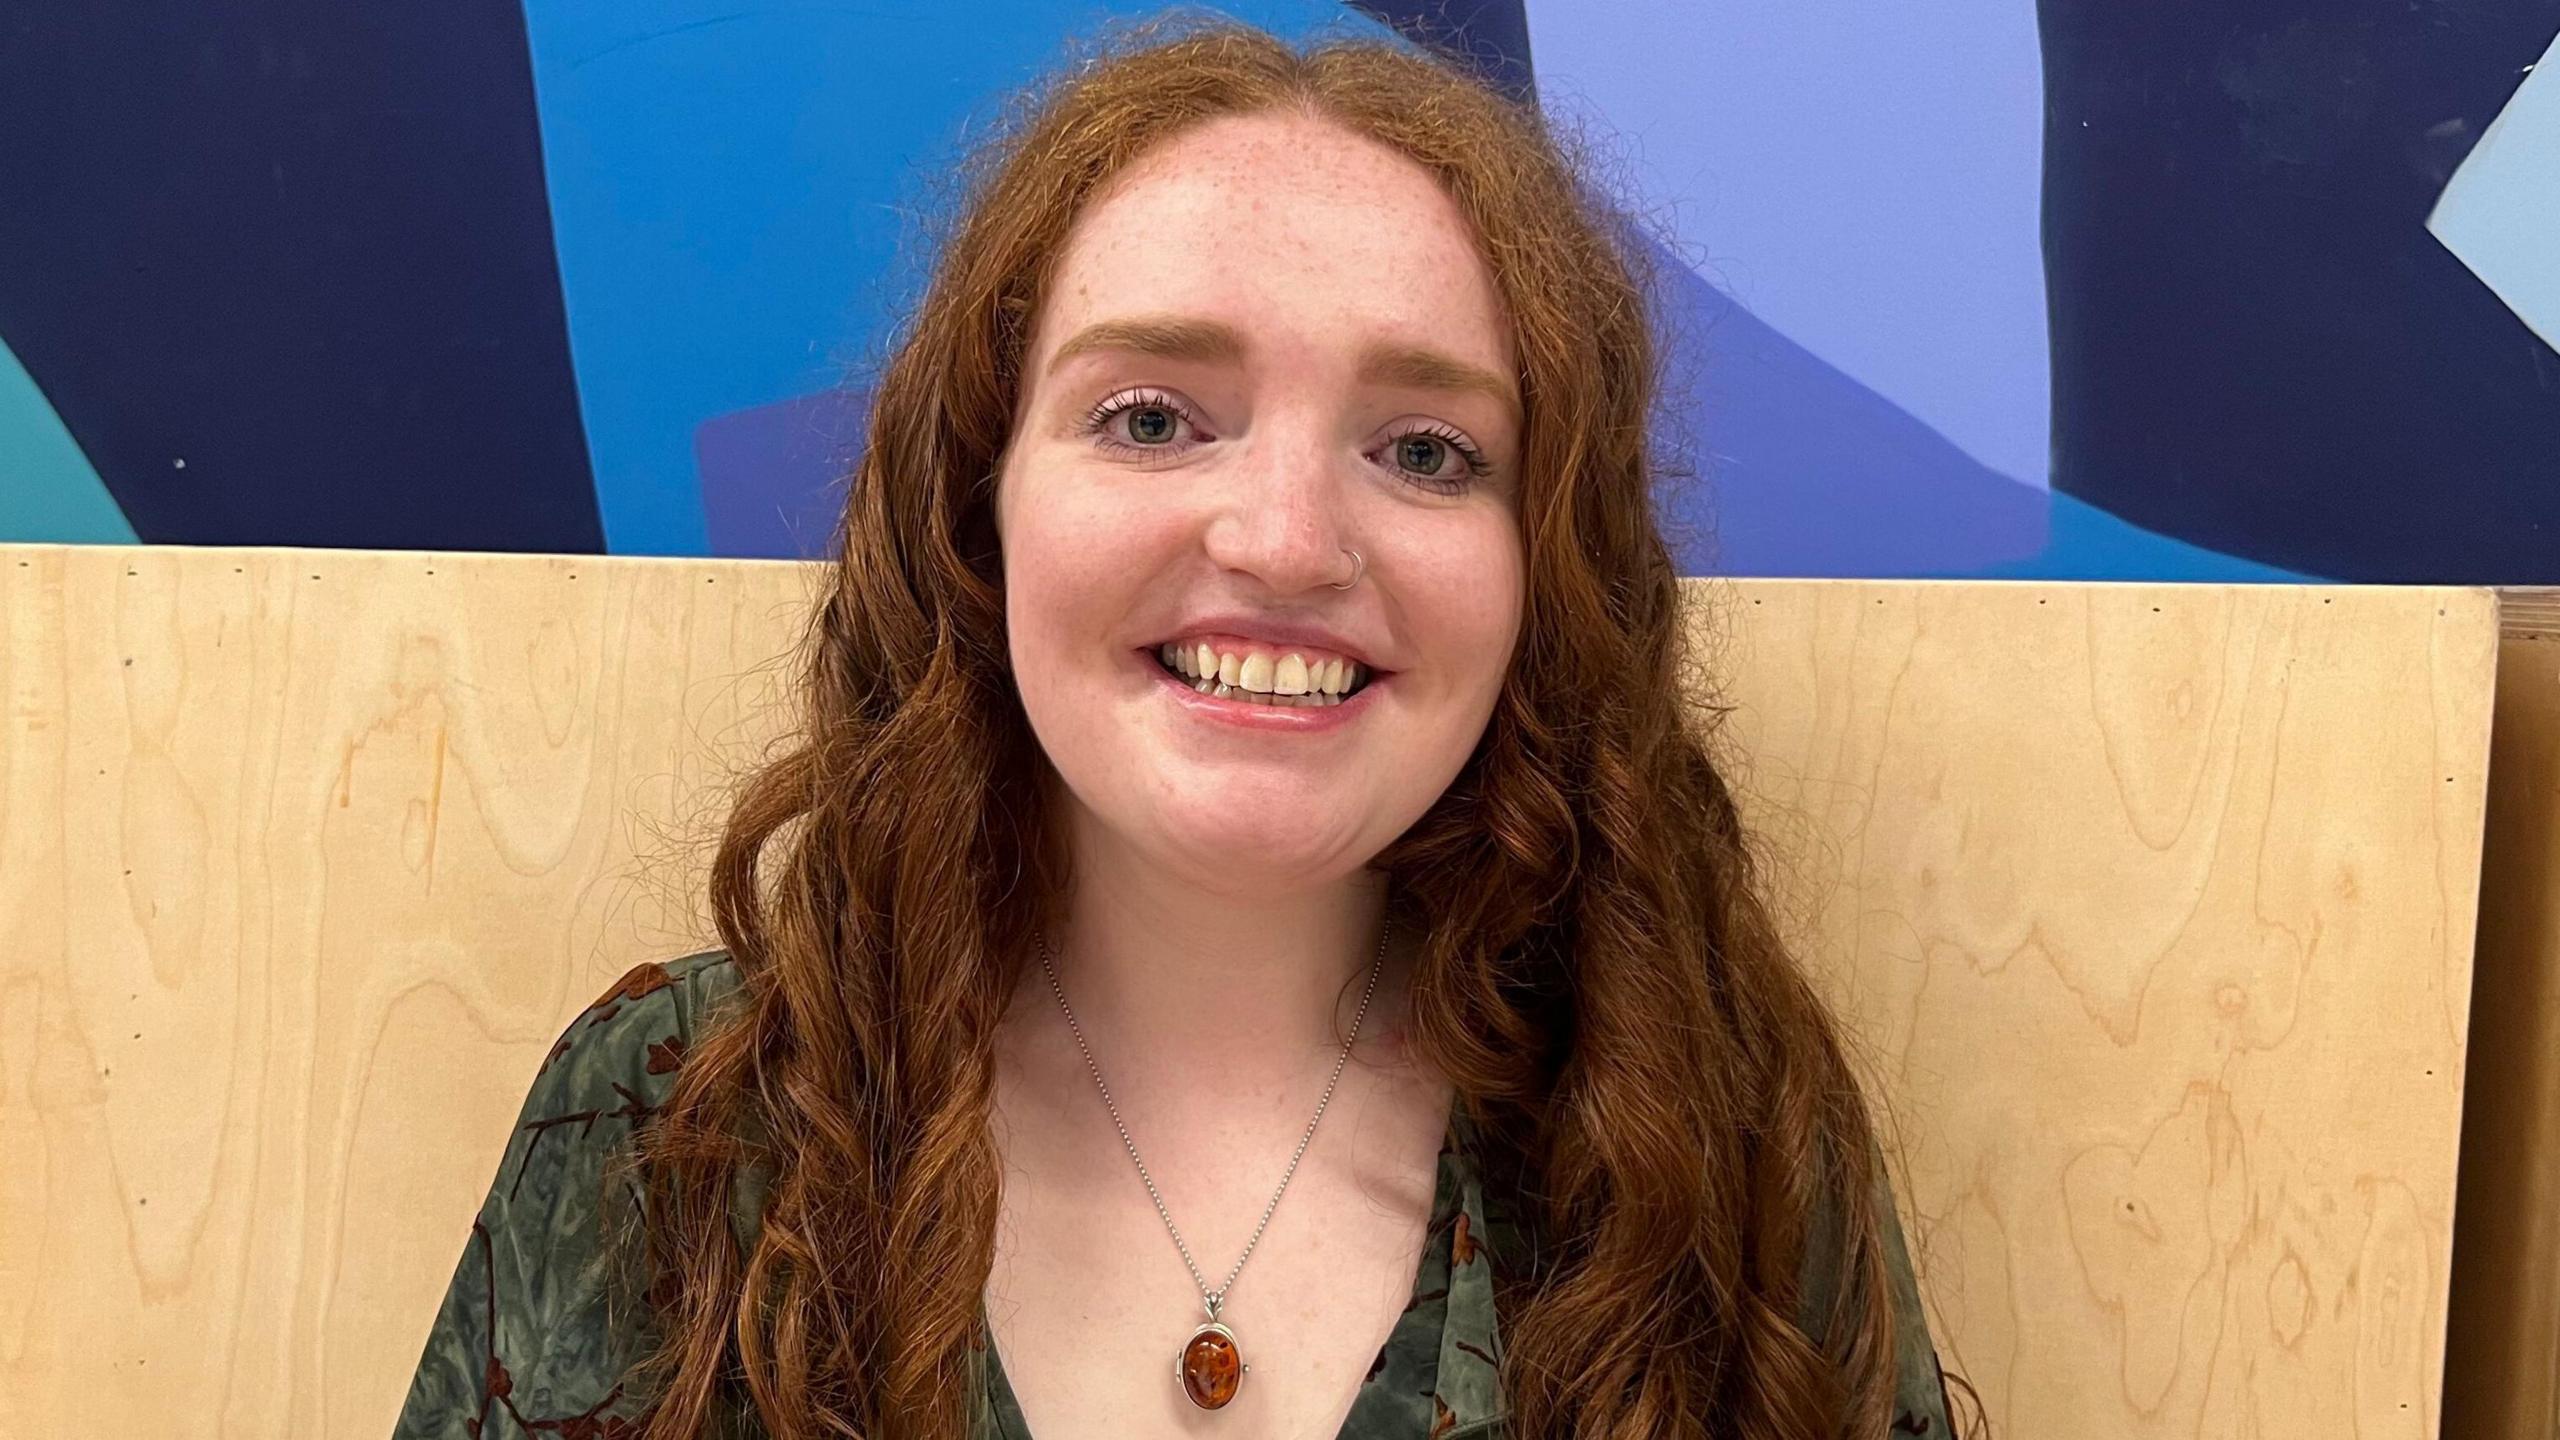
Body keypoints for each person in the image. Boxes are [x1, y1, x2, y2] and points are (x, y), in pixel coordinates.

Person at [392, 15, 1966, 1440]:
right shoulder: (675, 1118)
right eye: (1151, 419)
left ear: (1545, 573)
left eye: (1425, 451)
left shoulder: (1719, 1134)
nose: (1286, 541)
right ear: (976, 506)